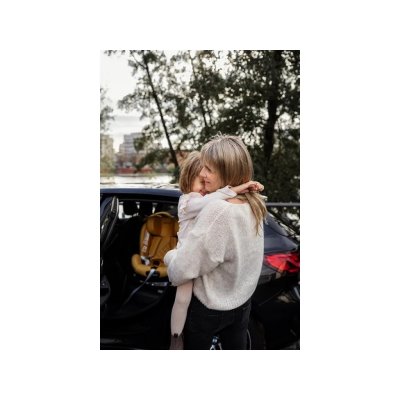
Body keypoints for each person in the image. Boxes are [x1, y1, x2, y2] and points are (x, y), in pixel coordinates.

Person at [165, 135, 267, 350]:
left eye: (209, 169)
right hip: (242, 303)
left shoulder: (218, 210)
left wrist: (170, 256)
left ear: (227, 172)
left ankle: (174, 340)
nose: (202, 174)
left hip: (210, 308)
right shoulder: (254, 204)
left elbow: (180, 271)